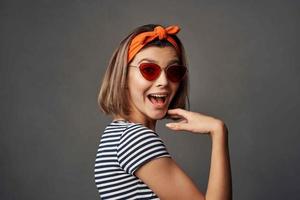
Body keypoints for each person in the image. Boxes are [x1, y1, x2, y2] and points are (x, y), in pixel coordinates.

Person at [94, 24, 232, 200]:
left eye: (173, 71)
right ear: (123, 75)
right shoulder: (135, 139)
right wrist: (218, 131)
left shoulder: (116, 134)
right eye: (149, 70)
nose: (164, 82)